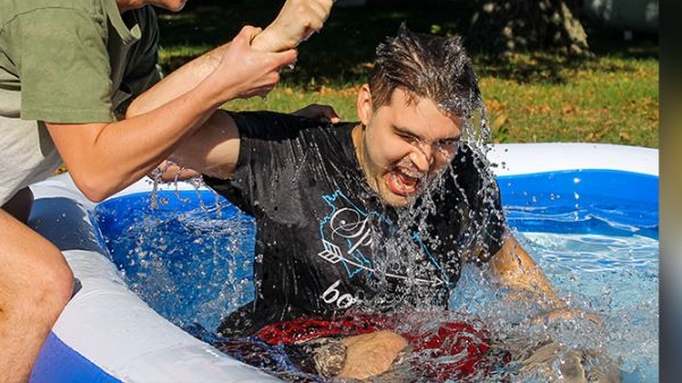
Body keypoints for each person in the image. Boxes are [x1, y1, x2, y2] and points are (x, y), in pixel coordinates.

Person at [0, 0, 345, 381]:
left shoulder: (127, 11)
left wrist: (270, 64)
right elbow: (95, 171)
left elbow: (146, 129)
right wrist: (223, 81)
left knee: (7, 213)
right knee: (36, 281)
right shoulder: (61, 3)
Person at [131, 23, 581, 380]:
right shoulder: (292, 155)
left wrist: (557, 313)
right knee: (386, 350)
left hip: (412, 357)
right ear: (366, 106)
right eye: (405, 136)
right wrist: (263, 45)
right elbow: (142, 123)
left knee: (575, 361)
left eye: (444, 143)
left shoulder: (461, 174)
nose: (422, 162)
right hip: (281, 355)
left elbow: (504, 260)